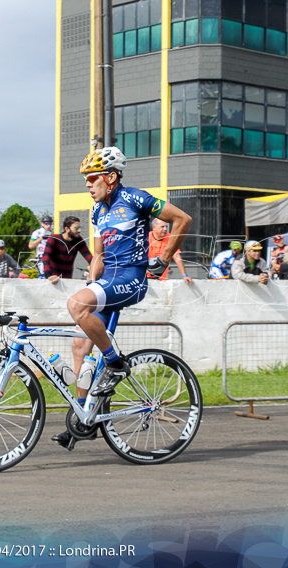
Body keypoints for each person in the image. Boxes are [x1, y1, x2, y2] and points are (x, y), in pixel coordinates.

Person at [53, 146, 191, 449]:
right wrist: (91, 281)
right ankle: (83, 417)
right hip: (108, 279)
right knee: (79, 346)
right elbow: (99, 254)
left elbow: (182, 219)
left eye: (92, 178)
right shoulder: (97, 210)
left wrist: (165, 257)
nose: (88, 185)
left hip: (131, 279)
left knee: (76, 304)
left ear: (111, 177)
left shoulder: (134, 198)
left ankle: (114, 363)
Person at [42, 216, 94, 283]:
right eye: (76, 228)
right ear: (67, 229)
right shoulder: (53, 239)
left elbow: (89, 257)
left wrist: (95, 274)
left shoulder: (79, 241)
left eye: (79, 228)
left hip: (67, 281)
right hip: (52, 279)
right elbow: (46, 257)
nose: (79, 230)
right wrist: (48, 275)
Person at [146, 218, 193, 284]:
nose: (165, 229)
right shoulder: (146, 238)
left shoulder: (170, 238)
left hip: (162, 280)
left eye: (166, 226)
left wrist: (184, 275)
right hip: (145, 278)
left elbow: (177, 256)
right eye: (162, 227)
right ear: (154, 227)